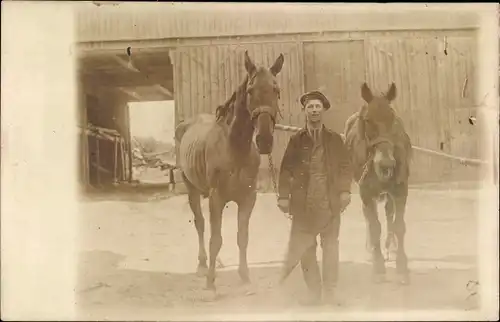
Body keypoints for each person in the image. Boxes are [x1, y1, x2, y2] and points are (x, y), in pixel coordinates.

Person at [277, 90, 353, 306]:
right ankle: (314, 293)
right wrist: (283, 197)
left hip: (329, 201)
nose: (314, 110)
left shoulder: (335, 140)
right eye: (310, 107)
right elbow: (285, 170)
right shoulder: (296, 140)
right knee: (306, 250)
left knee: (330, 247)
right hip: (303, 203)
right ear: (305, 111)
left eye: (318, 107)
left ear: (324, 110)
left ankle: (330, 291)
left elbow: (345, 167)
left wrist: (345, 191)